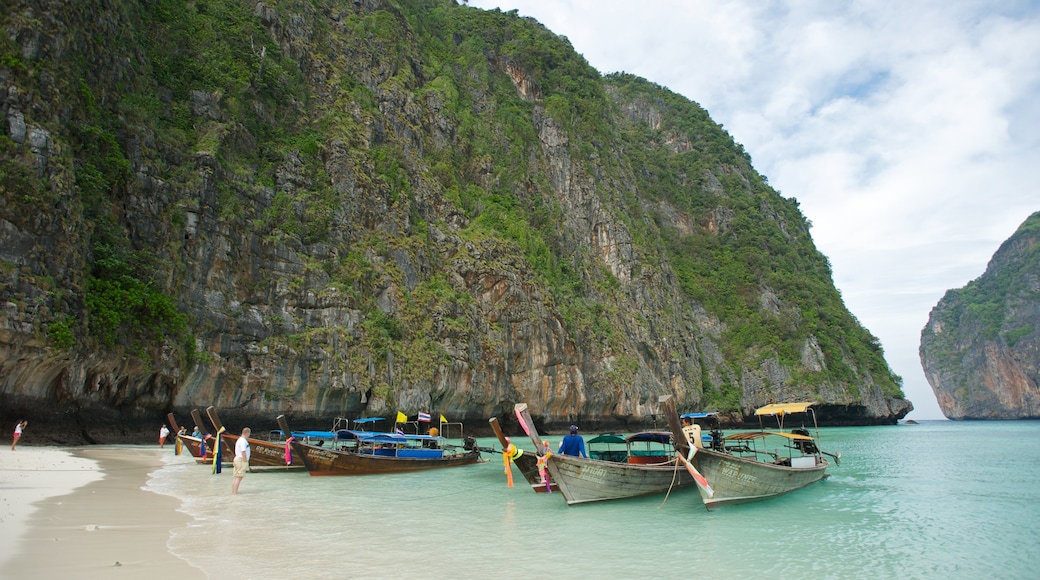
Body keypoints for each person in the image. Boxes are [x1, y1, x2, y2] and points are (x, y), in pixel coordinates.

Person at [231, 427, 251, 494]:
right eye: (249, 433)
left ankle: (234, 492)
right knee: (239, 477)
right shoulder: (243, 441)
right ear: (247, 433)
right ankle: (235, 492)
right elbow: (243, 451)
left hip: (237, 459)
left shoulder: (239, 440)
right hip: (241, 460)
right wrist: (245, 461)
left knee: (236, 476)